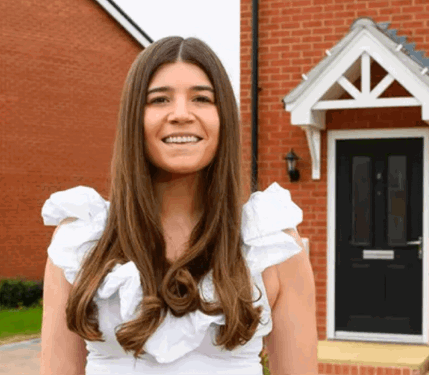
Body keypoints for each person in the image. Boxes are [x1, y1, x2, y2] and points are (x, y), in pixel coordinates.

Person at [39, 36, 318, 375]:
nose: (181, 114)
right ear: (134, 119)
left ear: (223, 118)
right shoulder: (79, 242)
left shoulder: (272, 244)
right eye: (159, 100)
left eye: (201, 98)